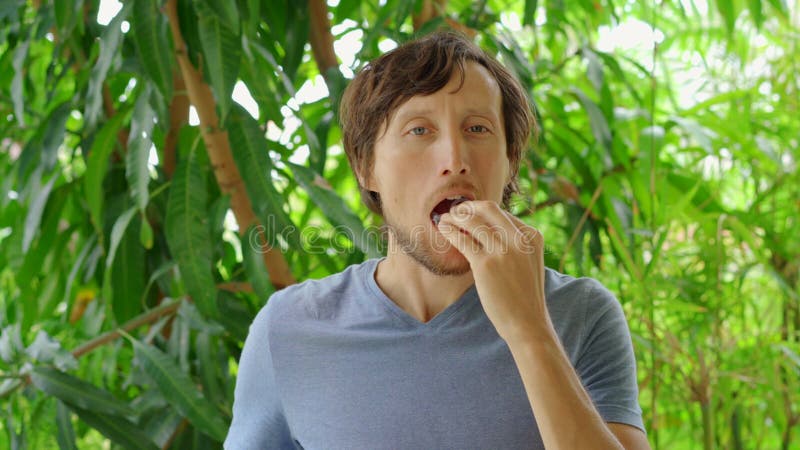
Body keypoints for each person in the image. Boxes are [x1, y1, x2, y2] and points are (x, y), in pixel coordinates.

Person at [224, 31, 650, 449]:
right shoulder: (288, 329)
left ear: (510, 163)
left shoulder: (582, 315)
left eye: (478, 128)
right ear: (366, 168)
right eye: (419, 130)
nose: (455, 160)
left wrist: (530, 330)